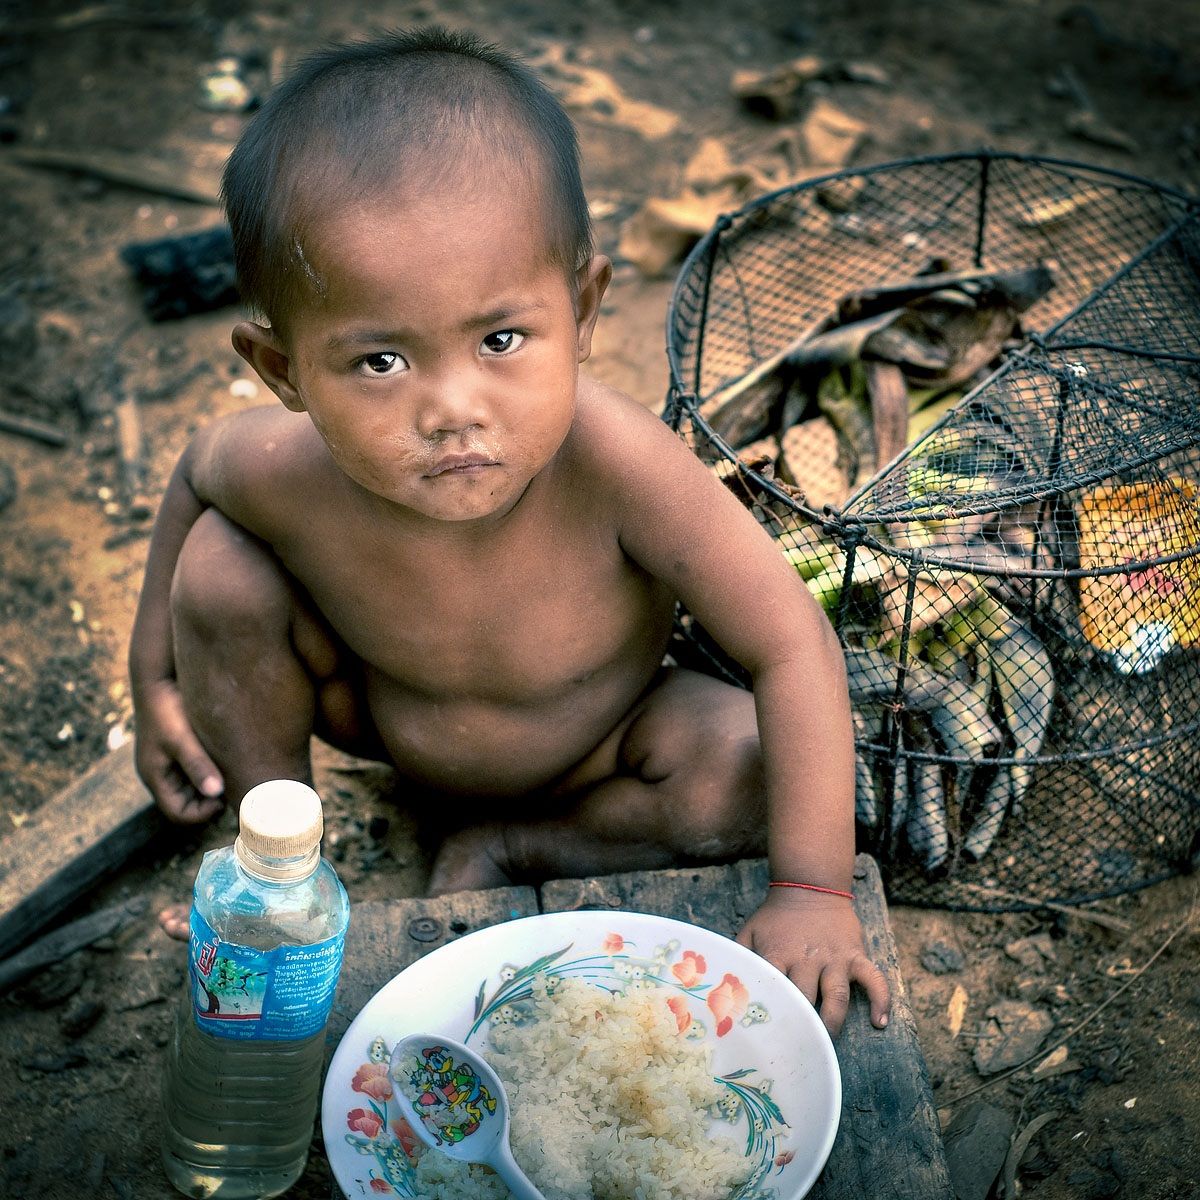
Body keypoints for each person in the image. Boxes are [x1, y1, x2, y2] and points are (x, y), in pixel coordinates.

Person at [128, 26, 889, 1036]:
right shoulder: (286, 470)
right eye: (381, 363)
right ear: (283, 373)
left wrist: (814, 895)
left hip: (600, 747)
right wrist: (158, 684)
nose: (453, 408)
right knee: (221, 572)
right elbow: (192, 474)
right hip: (383, 714)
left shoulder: (618, 466)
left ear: (582, 309)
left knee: (741, 762)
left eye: (501, 339)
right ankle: (281, 863)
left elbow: (792, 642)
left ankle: (521, 843)